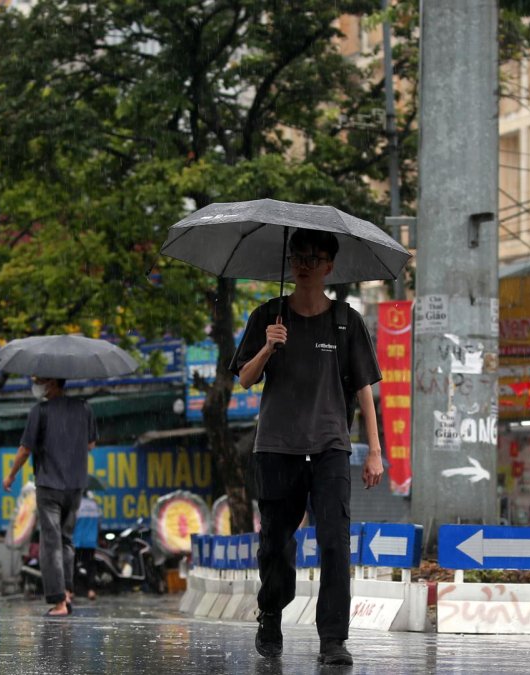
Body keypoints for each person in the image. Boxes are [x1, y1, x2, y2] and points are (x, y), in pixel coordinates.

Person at [232, 228, 383, 666]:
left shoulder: (346, 321)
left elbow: (364, 390)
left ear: (329, 266)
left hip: (331, 447)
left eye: (313, 258)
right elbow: (244, 378)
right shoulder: (268, 315)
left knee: (335, 542)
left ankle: (333, 638)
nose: (304, 264)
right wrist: (267, 347)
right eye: (298, 256)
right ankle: (271, 613)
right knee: (276, 543)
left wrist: (373, 450)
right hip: (277, 447)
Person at [3, 376, 97, 616]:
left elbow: (25, 449)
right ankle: (66, 591)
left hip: (49, 484)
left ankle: (58, 603)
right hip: (75, 485)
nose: (36, 385)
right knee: (66, 540)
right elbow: (90, 444)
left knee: (51, 542)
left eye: (40, 380)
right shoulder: (84, 407)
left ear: (53, 382)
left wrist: (11, 475)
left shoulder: (40, 411)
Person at [73, 491, 101, 601]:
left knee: (73, 565)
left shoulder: (76, 505)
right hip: (90, 541)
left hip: (77, 540)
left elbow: (71, 522)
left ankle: (71, 591)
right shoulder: (94, 505)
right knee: (90, 566)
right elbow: (99, 524)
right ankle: (91, 590)